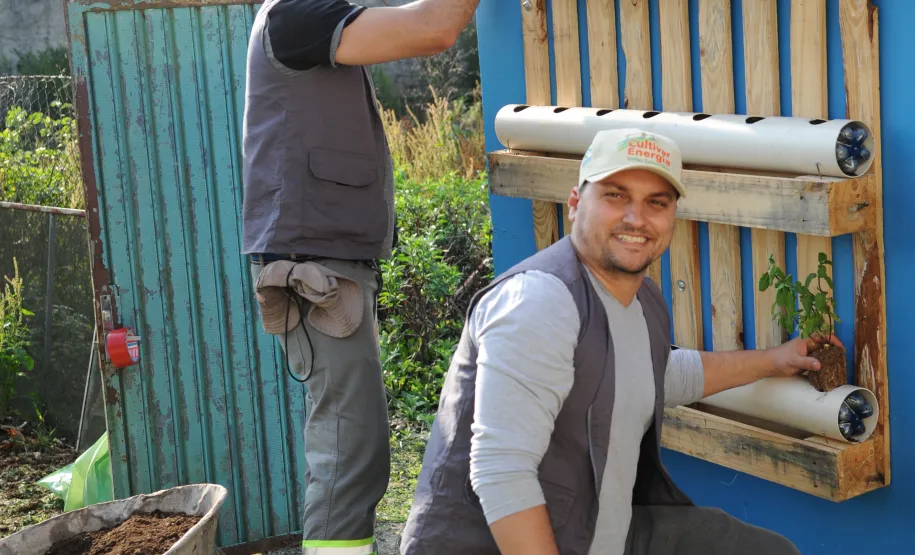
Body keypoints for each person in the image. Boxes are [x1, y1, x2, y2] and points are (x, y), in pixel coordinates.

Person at [400, 128, 832, 554]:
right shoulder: (541, 301)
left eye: (656, 203)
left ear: (671, 219)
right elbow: (501, 470)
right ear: (575, 204)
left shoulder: (642, 300)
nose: (636, 218)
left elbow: (654, 373)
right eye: (615, 195)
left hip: (597, 531)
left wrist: (772, 361)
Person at [240, 1, 480, 553]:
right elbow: (433, 27)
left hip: (328, 263)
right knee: (349, 454)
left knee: (358, 449)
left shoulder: (312, 20)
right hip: (314, 268)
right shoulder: (298, 15)